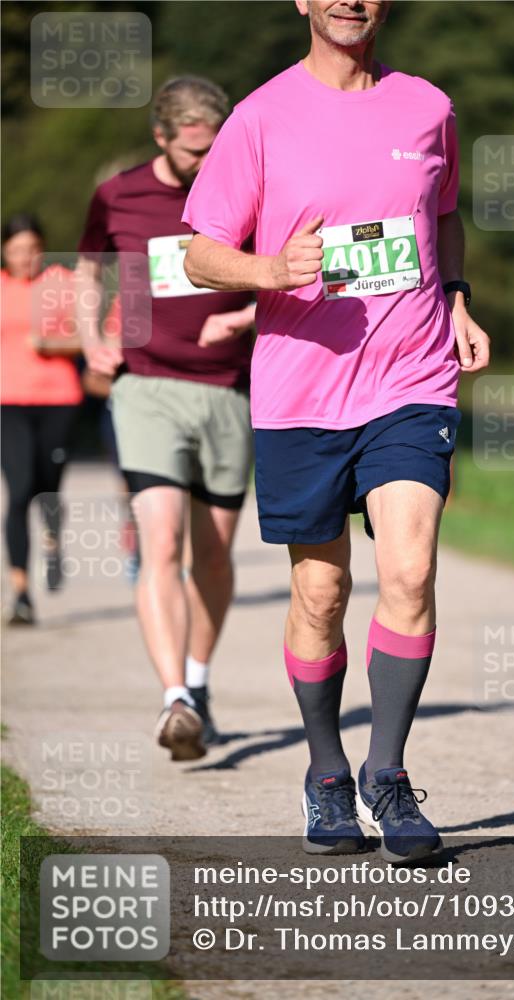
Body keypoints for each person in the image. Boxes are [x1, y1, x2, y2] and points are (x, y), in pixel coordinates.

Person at [183, 0, 491, 861]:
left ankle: (386, 776)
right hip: (302, 392)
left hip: (411, 378)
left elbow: (443, 215)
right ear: (304, 1)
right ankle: (326, 773)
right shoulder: (261, 116)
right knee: (320, 595)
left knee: (411, 568)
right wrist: (270, 269)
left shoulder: (427, 106)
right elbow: (198, 249)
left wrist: (459, 300)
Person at [77, 77, 256, 761]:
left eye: (214, 152)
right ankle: (173, 696)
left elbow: (287, 272)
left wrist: (246, 313)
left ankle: (201, 682)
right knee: (160, 543)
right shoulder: (117, 194)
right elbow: (89, 268)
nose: (203, 168)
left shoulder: (246, 191)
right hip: (145, 385)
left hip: (229, 390)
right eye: (190, 156)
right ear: (161, 137)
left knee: (212, 554)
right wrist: (94, 334)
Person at [1, 214, 84, 625]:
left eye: (33, 249)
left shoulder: (60, 283)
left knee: (47, 488)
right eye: (16, 250)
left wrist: (52, 345)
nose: (25, 257)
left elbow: (86, 337)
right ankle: (20, 593)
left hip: (58, 398)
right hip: (7, 402)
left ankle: (52, 540)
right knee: (18, 491)